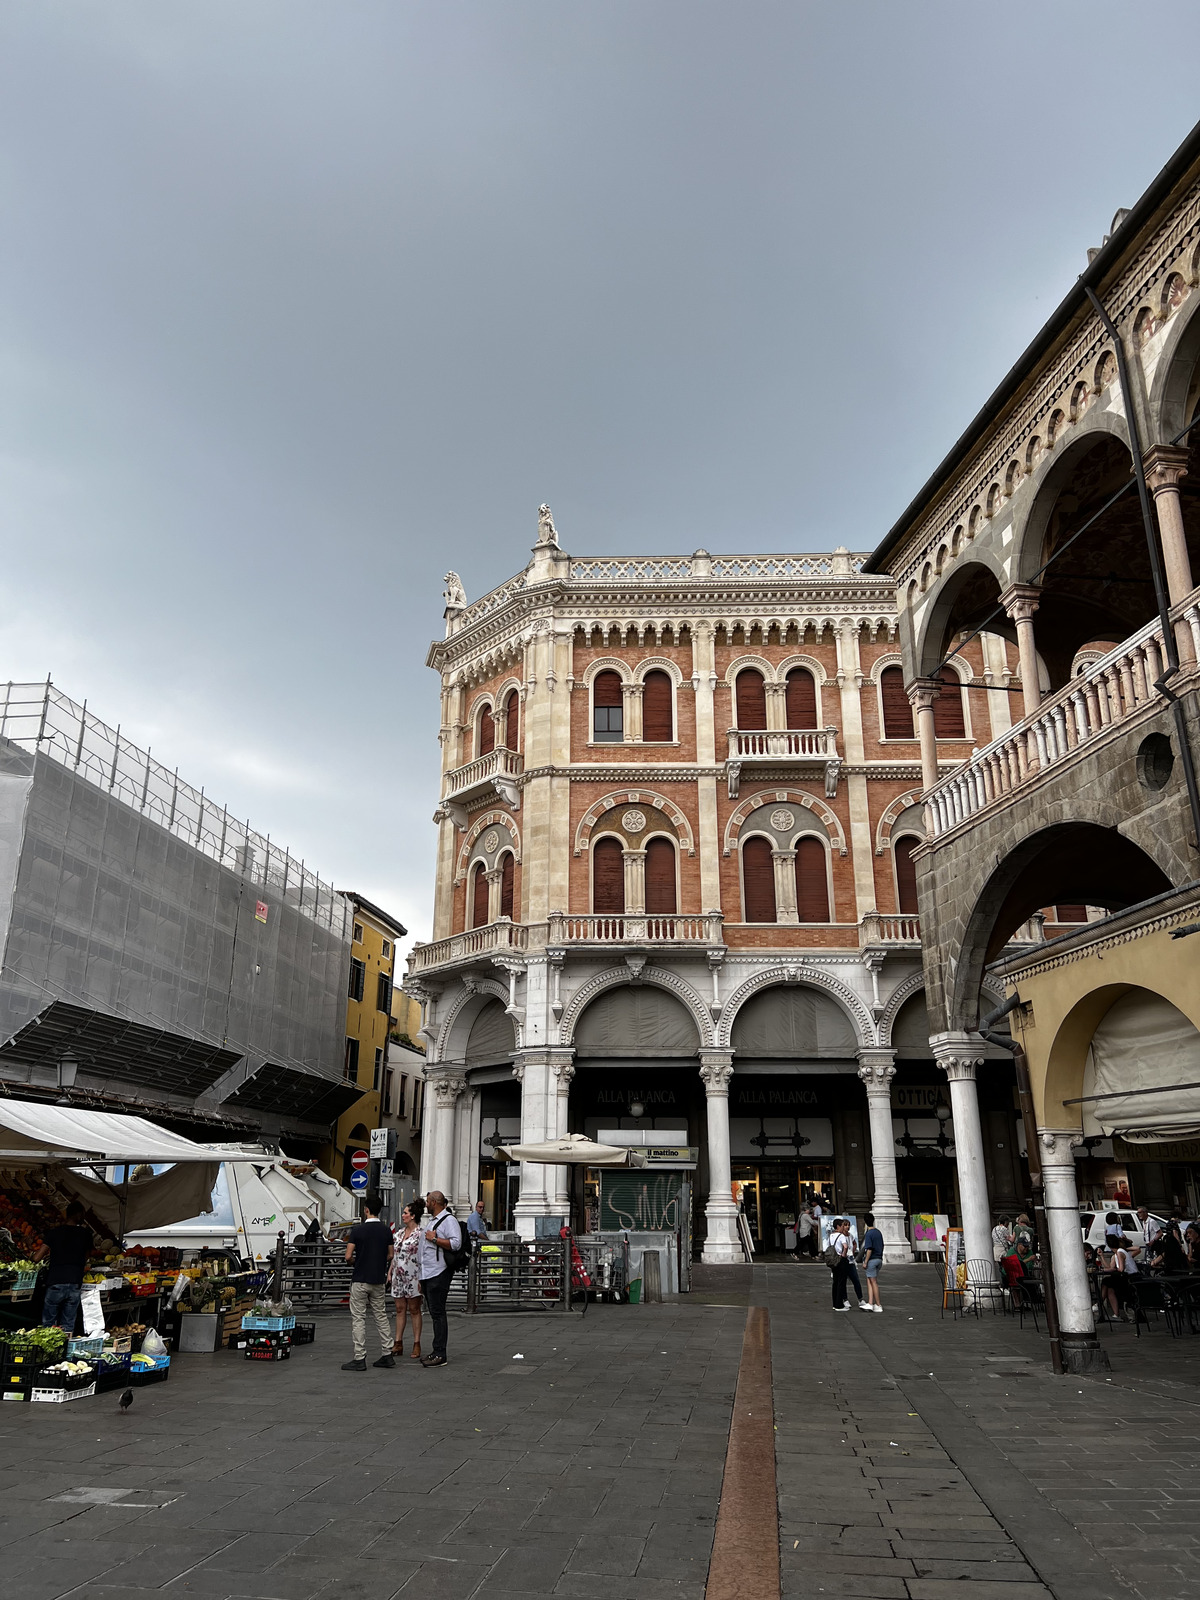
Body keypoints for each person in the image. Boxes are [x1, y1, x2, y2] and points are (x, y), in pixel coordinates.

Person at [341, 1193, 395, 1372]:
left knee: (358, 1318)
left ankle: (359, 1357)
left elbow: (348, 1256)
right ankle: (387, 1354)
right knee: (381, 1315)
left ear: (366, 1210)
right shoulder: (386, 1231)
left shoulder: (358, 1231)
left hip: (360, 1279)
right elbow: (390, 1255)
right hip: (378, 1279)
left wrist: (356, 1261)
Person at [419, 1190, 462, 1367]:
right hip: (428, 1272)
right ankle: (436, 1351)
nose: (426, 1204)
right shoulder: (432, 1221)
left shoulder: (449, 1220)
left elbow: (456, 1243)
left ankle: (440, 1353)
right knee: (434, 1312)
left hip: (439, 1272)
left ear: (435, 1202)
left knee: (438, 1313)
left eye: (428, 1201)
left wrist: (435, 1239)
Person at [40, 1200, 94, 1332]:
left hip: (55, 1282)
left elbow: (37, 1257)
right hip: (74, 1282)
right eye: (82, 1214)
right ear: (77, 1214)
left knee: (48, 1324)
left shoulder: (54, 1232)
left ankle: (48, 1350)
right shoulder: (86, 1234)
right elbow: (86, 1257)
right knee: (68, 1325)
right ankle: (65, 1349)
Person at [389, 1199, 425, 1359]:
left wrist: (422, 1279)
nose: (403, 1215)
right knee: (399, 1309)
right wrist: (390, 1272)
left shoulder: (420, 1234)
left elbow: (424, 1257)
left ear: (413, 1216)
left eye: (405, 1213)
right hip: (398, 1275)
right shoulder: (398, 1233)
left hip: (413, 1275)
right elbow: (394, 1256)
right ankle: (398, 1342)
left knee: (414, 1309)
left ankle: (417, 1343)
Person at [829, 1217, 860, 1312]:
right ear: (838, 1226)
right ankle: (839, 1305)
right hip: (841, 1260)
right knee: (841, 1282)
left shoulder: (831, 1235)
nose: (844, 1227)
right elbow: (845, 1246)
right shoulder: (841, 1236)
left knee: (835, 1282)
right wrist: (844, 1254)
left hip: (834, 1260)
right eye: (843, 1225)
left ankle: (835, 1303)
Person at [860, 1212, 885, 1313]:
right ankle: (870, 1303)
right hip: (879, 1258)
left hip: (872, 1259)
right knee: (870, 1280)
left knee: (873, 1282)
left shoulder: (869, 1234)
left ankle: (878, 1305)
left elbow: (869, 1249)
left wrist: (865, 1261)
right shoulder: (878, 1232)